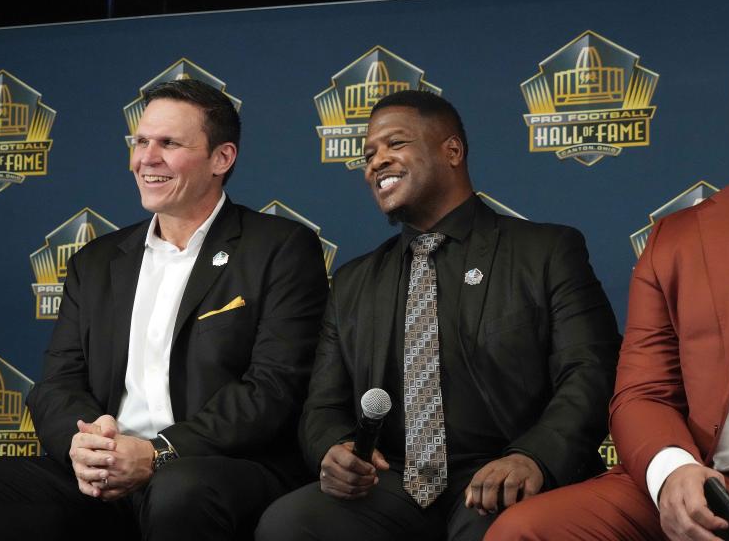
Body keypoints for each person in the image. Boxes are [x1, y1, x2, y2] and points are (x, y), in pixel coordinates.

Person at [486, 14, 729, 541]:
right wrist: (672, 471)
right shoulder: (678, 235)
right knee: (525, 532)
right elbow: (642, 390)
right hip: (705, 482)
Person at [0, 79, 329, 540]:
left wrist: (159, 453)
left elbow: (273, 389)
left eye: (169, 143)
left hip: (218, 466)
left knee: (179, 490)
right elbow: (57, 384)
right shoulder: (96, 261)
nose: (146, 158)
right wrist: (84, 447)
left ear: (222, 158)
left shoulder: (278, 248)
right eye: (141, 141)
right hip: (105, 472)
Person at [256, 90, 620, 541]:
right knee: (290, 524)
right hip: (393, 483)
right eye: (368, 154)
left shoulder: (545, 251)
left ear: (452, 151)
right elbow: (323, 405)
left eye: (395, 144)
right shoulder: (353, 281)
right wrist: (334, 450)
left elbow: (592, 371)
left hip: (505, 472)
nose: (376, 162)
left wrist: (534, 457)